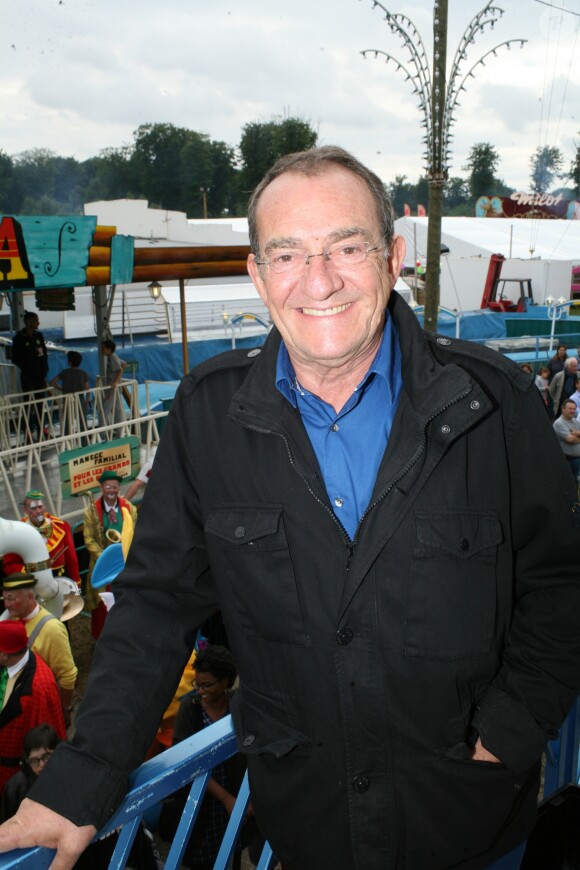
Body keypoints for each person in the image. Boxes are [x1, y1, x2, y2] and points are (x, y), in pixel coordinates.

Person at [1, 146, 579, 870]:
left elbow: (560, 586)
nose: (320, 279)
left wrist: (504, 737)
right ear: (257, 275)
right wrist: (81, 777)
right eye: (287, 255)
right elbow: (156, 606)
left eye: (347, 247)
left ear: (393, 258)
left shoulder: (494, 404)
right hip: (307, 826)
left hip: (471, 822)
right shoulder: (208, 416)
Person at [160, 645, 249, 870]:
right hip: (204, 803)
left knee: (233, 850)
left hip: (234, 801)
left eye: (207, 685)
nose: (200, 691)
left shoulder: (238, 705)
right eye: (197, 684)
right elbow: (187, 764)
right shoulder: (190, 710)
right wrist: (226, 798)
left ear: (225, 681)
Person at [0, 574, 77, 728]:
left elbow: (68, 676)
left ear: (30, 596)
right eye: (4, 599)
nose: (7, 605)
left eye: (11, 599)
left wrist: (65, 709)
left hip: (38, 705)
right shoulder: (13, 617)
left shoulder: (53, 629)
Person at [0, 620, 65, 793]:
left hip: (15, 781)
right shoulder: (9, 664)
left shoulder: (41, 687)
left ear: (4, 654)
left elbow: (48, 742)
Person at [82, 469, 137, 639]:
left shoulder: (129, 508)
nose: (112, 491)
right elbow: (89, 540)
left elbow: (136, 534)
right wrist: (105, 559)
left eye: (115, 487)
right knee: (102, 607)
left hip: (125, 564)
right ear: (102, 488)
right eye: (108, 487)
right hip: (102, 566)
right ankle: (103, 639)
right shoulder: (90, 512)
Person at [2, 489, 82, 588]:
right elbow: (9, 564)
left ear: (44, 506)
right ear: (25, 510)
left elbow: (71, 559)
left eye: (40, 507)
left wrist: (76, 584)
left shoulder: (61, 527)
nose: (38, 511)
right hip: (34, 584)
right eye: (33, 508)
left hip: (61, 581)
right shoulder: (18, 533)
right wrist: (28, 572)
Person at [0, 723, 60, 823]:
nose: (42, 764)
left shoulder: (68, 779)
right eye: (34, 761)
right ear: (27, 761)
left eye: (47, 757)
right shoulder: (15, 787)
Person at [10, 311, 49, 440]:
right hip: (28, 377)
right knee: (28, 404)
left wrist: (44, 370)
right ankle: (28, 432)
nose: (38, 323)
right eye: (36, 320)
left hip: (40, 376)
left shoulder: (39, 336)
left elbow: (44, 354)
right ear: (29, 322)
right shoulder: (18, 339)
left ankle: (42, 430)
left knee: (40, 404)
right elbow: (15, 358)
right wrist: (28, 367)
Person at [50, 351, 90, 437]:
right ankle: (84, 440)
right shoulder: (83, 373)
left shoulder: (64, 372)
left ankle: (67, 440)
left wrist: (61, 389)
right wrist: (87, 401)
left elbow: (53, 382)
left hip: (68, 399)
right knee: (82, 421)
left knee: (67, 421)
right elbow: (87, 390)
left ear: (70, 362)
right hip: (80, 399)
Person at [99, 340, 126, 431]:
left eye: (103, 348)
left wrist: (115, 382)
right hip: (116, 388)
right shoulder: (112, 357)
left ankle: (102, 433)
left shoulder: (113, 357)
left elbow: (119, 370)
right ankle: (120, 431)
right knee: (118, 410)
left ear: (109, 349)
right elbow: (124, 364)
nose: (102, 350)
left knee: (104, 410)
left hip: (112, 389)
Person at [552, 398, 580, 480]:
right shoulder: (559, 423)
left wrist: (576, 434)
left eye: (574, 409)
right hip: (568, 461)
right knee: (570, 482)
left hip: (577, 460)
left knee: (577, 482)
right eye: (570, 408)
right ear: (563, 409)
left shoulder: (576, 422)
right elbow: (570, 440)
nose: (572, 411)